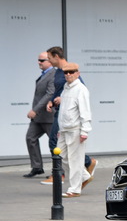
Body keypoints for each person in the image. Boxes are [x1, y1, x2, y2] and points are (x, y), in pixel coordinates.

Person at [42, 46, 97, 184]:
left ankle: (59, 174)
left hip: (69, 114)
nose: (48, 61)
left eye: (49, 58)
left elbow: (79, 90)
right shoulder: (58, 72)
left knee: (55, 144)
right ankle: (86, 166)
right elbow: (60, 90)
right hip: (61, 112)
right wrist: (52, 101)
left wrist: (63, 99)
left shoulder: (69, 70)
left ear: (56, 56)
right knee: (62, 148)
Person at [56, 63, 93, 197]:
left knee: (75, 159)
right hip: (65, 129)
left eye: (71, 72)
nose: (68, 74)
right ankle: (84, 176)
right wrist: (60, 128)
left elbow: (85, 111)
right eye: (66, 72)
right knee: (62, 156)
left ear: (78, 73)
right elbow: (63, 111)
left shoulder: (81, 89)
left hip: (75, 129)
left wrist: (85, 131)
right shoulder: (66, 88)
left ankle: (75, 189)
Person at [23, 52, 56, 178]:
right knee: (30, 138)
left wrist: (35, 110)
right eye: (38, 60)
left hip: (48, 116)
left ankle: (59, 171)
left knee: (54, 144)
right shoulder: (44, 74)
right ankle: (37, 167)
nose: (39, 62)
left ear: (49, 61)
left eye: (42, 60)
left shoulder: (53, 74)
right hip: (38, 118)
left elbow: (49, 94)